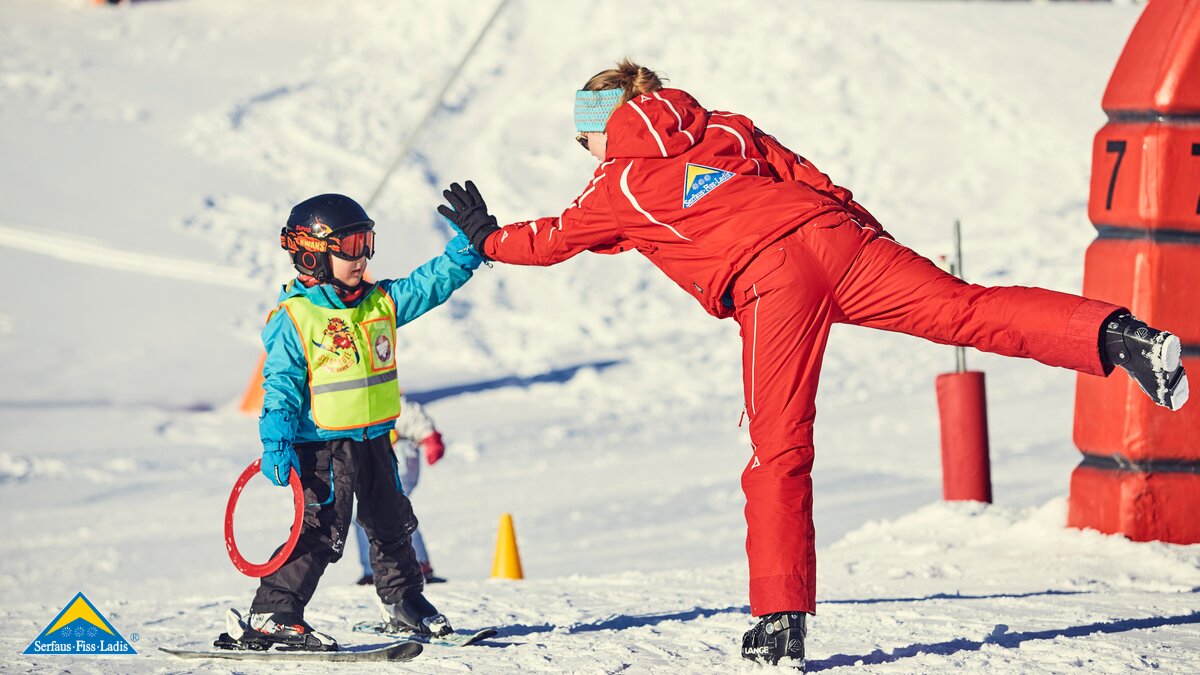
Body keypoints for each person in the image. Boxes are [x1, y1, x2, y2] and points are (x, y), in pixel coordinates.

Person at [436, 60, 1190, 668]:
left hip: (772, 281)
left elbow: (553, 239)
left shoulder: (618, 184)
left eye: (583, 141)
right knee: (966, 308)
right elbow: (808, 176)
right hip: (838, 238)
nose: (586, 155)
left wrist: (487, 236)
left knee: (779, 446)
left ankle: (779, 619)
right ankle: (1118, 335)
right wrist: (870, 244)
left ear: (602, 129)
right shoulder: (723, 125)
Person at [243, 193, 483, 651]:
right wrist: (276, 442)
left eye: (366, 243)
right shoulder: (296, 318)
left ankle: (403, 601)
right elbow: (281, 385)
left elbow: (428, 284)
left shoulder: (379, 303)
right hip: (323, 447)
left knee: (393, 523)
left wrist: (466, 250)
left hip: (375, 439)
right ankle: (273, 611)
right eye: (351, 246)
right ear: (312, 254)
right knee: (322, 530)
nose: (362, 257)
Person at [353, 394, 448, 586]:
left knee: (390, 512)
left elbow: (411, 415)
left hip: (398, 459)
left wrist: (430, 437)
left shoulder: (384, 398)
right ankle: (375, 568)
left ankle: (417, 563)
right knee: (371, 516)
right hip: (380, 463)